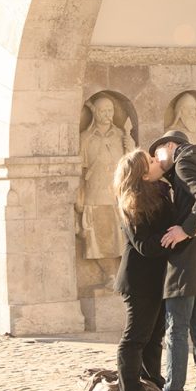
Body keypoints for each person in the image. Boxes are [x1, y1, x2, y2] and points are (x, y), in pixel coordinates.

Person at [139, 130, 196, 391]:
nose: (156, 159)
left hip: (189, 256)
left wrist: (186, 229)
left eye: (157, 153)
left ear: (171, 146)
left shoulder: (185, 161)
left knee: (176, 329)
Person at [113, 147, 173, 391]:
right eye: (150, 160)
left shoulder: (159, 190)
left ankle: (152, 382)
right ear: (142, 173)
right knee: (135, 337)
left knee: (154, 335)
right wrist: (175, 239)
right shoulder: (133, 201)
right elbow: (144, 246)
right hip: (139, 280)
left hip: (157, 278)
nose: (155, 160)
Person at [77, 94, 131, 265]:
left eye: (110, 110)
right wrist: (79, 197)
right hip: (94, 194)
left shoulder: (120, 135)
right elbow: (79, 169)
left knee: (120, 238)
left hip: (117, 195)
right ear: (96, 113)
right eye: (103, 111)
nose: (108, 114)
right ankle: (107, 275)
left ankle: (118, 276)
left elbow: (131, 163)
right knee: (96, 240)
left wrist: (131, 146)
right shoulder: (85, 138)